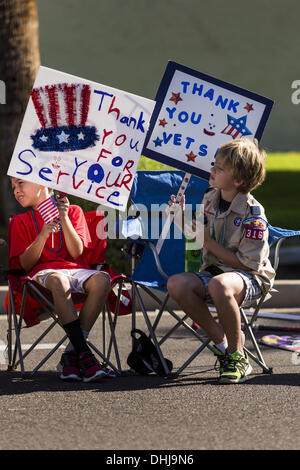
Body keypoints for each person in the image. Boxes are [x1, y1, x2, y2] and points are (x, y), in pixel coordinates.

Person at [167, 138, 275, 384]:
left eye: (219, 168)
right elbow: (199, 238)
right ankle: (223, 345)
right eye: (214, 165)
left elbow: (249, 264)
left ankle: (238, 357)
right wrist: (179, 218)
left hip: (250, 279)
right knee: (177, 284)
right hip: (215, 274)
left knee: (220, 285)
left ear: (238, 180)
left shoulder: (253, 214)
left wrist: (209, 243)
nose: (212, 170)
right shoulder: (210, 198)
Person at [10, 177, 113, 382]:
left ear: (41, 183)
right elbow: (25, 265)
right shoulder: (20, 221)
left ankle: (71, 356)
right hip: (42, 275)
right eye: (13, 186)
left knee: (102, 279)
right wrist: (42, 235)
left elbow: (76, 252)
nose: (16, 190)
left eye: (20, 183)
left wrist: (64, 218)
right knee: (58, 280)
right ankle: (85, 355)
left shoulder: (73, 211)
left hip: (75, 270)